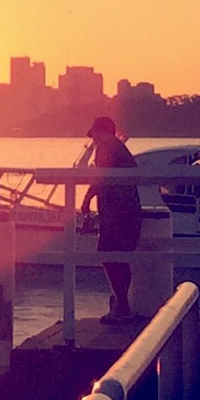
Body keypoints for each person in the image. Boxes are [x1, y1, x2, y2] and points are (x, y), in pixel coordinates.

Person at [80, 117, 142, 324]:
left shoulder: (106, 146)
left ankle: (121, 304)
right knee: (120, 257)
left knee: (109, 255)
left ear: (101, 131)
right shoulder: (120, 148)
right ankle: (121, 304)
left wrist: (87, 199)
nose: (94, 139)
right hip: (128, 209)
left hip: (116, 212)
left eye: (95, 134)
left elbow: (101, 175)